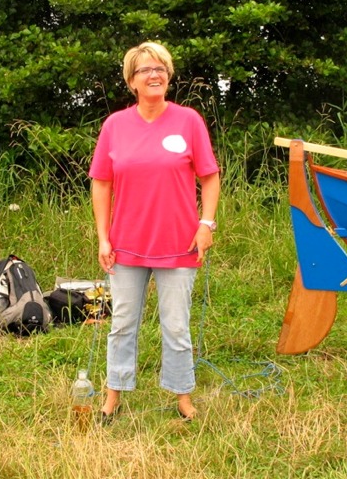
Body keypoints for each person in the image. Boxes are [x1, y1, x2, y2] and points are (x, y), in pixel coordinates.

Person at [89, 41, 220, 422]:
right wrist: (103, 237)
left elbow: (210, 178)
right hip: (126, 246)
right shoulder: (115, 125)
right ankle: (113, 395)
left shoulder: (189, 121)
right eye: (146, 69)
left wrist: (206, 224)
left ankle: (182, 396)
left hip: (180, 245)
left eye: (161, 67)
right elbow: (101, 184)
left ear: (169, 76)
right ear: (132, 80)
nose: (155, 74)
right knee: (122, 324)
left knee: (177, 326)